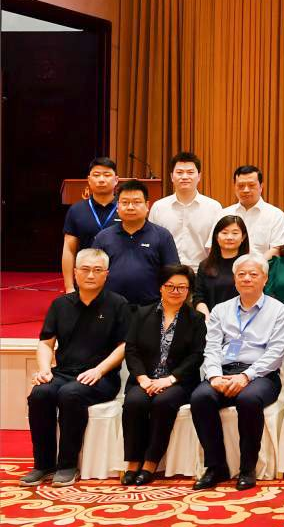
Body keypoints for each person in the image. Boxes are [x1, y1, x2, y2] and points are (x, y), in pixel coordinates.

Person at [21, 249, 130, 487]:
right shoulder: (60, 304)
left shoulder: (118, 304)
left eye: (97, 270)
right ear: (75, 272)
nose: (91, 275)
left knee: (70, 394)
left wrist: (99, 370)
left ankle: (67, 464)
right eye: (85, 269)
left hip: (101, 377)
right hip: (64, 372)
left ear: (106, 274)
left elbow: (124, 346)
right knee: (40, 393)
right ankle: (43, 464)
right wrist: (44, 369)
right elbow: (46, 342)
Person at [191, 254, 284, 491]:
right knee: (200, 397)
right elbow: (212, 347)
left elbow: (275, 354)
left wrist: (246, 376)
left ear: (264, 279)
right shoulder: (221, 310)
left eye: (253, 274)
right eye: (241, 274)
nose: (247, 278)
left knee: (248, 399)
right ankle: (215, 467)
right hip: (224, 371)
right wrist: (214, 376)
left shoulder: (278, 311)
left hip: (261, 375)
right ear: (234, 279)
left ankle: (247, 468)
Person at [120, 264, 206, 485]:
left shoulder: (196, 319)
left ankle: (150, 463)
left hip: (178, 382)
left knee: (163, 402)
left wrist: (170, 379)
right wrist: (142, 379)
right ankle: (133, 462)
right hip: (145, 379)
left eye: (182, 287)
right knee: (135, 402)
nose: (176, 291)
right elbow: (131, 350)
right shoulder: (142, 313)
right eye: (170, 286)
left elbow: (196, 356)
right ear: (161, 287)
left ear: (189, 290)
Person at [93, 179, 180, 306]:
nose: (130, 207)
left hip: (151, 308)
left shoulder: (162, 236)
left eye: (136, 202)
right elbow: (94, 273)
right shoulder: (103, 237)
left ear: (147, 205)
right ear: (117, 206)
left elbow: (174, 274)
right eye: (125, 202)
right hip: (111, 308)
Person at [148, 151, 222, 269]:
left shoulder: (214, 207)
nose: (185, 177)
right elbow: (152, 242)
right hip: (167, 272)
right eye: (179, 172)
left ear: (199, 176)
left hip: (201, 272)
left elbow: (217, 246)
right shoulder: (159, 207)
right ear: (172, 177)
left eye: (190, 172)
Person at [61, 157, 119, 293]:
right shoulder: (76, 210)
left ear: (116, 180)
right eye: (96, 175)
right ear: (89, 180)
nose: (101, 179)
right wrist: (69, 287)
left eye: (107, 175)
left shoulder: (125, 208)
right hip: (86, 280)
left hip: (119, 280)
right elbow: (69, 249)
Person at [219, 165, 284, 259]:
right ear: (234, 187)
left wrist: (255, 266)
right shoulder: (224, 213)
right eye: (241, 186)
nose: (246, 190)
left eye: (251, 185)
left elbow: (276, 248)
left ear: (261, 186)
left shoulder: (275, 215)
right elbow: (213, 246)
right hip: (228, 266)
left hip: (263, 266)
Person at [196, 215, 250, 315]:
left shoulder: (250, 265)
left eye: (235, 233)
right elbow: (198, 297)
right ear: (216, 236)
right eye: (224, 233)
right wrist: (208, 319)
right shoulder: (205, 265)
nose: (229, 237)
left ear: (243, 237)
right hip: (211, 320)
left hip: (244, 319)